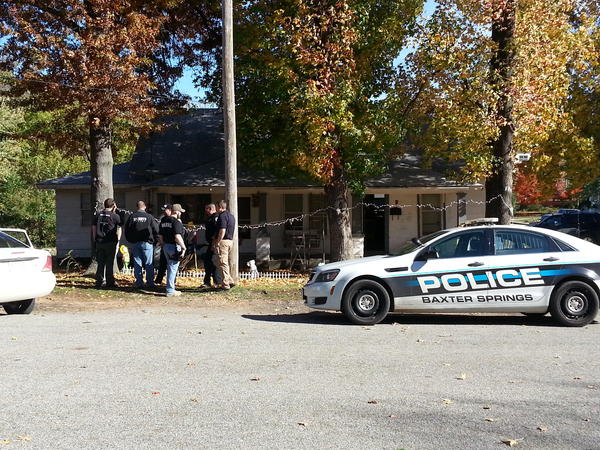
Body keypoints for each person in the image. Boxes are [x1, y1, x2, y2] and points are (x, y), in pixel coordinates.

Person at [125, 200, 159, 289]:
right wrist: (155, 241)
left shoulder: (132, 216)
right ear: (144, 207)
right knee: (149, 263)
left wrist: (130, 240)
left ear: (137, 207)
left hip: (135, 243)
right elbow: (156, 229)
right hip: (147, 243)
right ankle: (150, 283)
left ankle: (139, 282)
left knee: (137, 263)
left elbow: (127, 230)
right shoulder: (149, 217)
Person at [92, 198, 122, 288]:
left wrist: (94, 239)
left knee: (100, 262)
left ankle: (99, 281)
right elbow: (119, 228)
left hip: (99, 241)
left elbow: (93, 227)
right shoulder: (115, 216)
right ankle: (110, 282)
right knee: (109, 263)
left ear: (104, 205)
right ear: (113, 206)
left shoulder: (97, 214)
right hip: (111, 242)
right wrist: (118, 240)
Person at [159, 203, 187, 296]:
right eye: (180, 212)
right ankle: (170, 290)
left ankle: (170, 288)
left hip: (166, 246)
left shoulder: (163, 220)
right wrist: (183, 247)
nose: (181, 213)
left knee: (170, 267)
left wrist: (163, 245)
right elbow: (177, 236)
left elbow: (160, 235)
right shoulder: (176, 222)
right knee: (172, 269)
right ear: (177, 212)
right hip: (174, 246)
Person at [213, 199, 236, 290]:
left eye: (217, 207)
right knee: (220, 262)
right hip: (230, 241)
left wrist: (218, 241)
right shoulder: (231, 216)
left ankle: (226, 284)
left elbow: (222, 230)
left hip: (223, 241)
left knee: (222, 262)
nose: (216, 209)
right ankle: (230, 280)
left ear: (220, 207)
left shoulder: (222, 216)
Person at [199, 203, 222, 289]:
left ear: (210, 209)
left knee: (212, 263)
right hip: (210, 243)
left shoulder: (215, 217)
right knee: (208, 262)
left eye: (206, 209)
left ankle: (216, 281)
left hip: (214, 243)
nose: (205, 211)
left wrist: (214, 242)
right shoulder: (210, 218)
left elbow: (217, 230)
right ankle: (209, 281)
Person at [154, 205, 170, 285]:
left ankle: (171, 282)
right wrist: (161, 242)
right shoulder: (162, 219)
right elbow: (159, 231)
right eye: (163, 210)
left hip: (171, 243)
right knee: (163, 262)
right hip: (163, 243)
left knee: (171, 264)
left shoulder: (173, 219)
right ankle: (158, 280)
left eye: (165, 210)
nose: (164, 211)